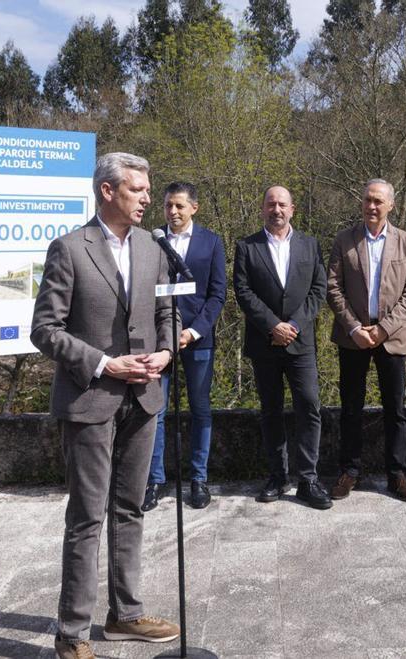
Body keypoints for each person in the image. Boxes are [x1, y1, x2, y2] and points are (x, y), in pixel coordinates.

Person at [30, 152, 180, 659]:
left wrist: (166, 350)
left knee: (130, 509)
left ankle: (125, 616)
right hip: (91, 397)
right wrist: (104, 365)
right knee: (87, 518)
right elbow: (44, 331)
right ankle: (71, 635)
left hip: (144, 396)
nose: (146, 198)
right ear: (108, 192)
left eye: (147, 189)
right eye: (137, 189)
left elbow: (165, 311)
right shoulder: (70, 249)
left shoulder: (152, 248)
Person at [233, 186, 332, 509]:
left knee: (309, 406)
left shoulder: (310, 244)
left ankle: (308, 479)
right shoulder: (246, 247)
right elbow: (243, 291)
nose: (276, 209)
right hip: (265, 343)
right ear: (262, 209)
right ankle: (277, 476)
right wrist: (273, 325)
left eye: (282, 204)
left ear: (293, 209)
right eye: (271, 204)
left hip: (301, 343)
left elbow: (319, 290)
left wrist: (295, 326)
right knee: (271, 411)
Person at [325, 179, 406, 502]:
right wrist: (355, 328)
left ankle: (397, 474)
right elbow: (333, 288)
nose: (371, 206)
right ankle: (349, 471)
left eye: (378, 201)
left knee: (395, 408)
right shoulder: (344, 240)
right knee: (351, 408)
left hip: (392, 339)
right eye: (368, 200)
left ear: (391, 206)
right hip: (353, 338)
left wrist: (383, 329)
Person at [143, 182, 227, 512]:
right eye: (167, 206)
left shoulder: (211, 242)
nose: (173, 212)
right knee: (156, 411)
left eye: (179, 206)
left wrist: (192, 332)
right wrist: (164, 334)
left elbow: (217, 294)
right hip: (158, 340)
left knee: (200, 409)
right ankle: (155, 481)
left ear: (195, 207)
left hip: (197, 339)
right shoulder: (152, 241)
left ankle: (198, 479)